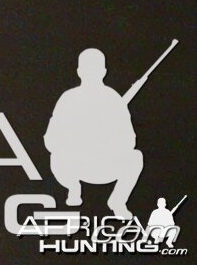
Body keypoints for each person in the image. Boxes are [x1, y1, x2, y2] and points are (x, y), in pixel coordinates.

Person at [47, 47, 147, 219]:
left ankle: (118, 201)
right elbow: (51, 140)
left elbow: (129, 141)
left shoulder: (113, 99)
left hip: (105, 166)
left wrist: (106, 139)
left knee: (135, 157)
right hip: (73, 165)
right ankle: (73, 188)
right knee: (55, 157)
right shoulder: (68, 99)